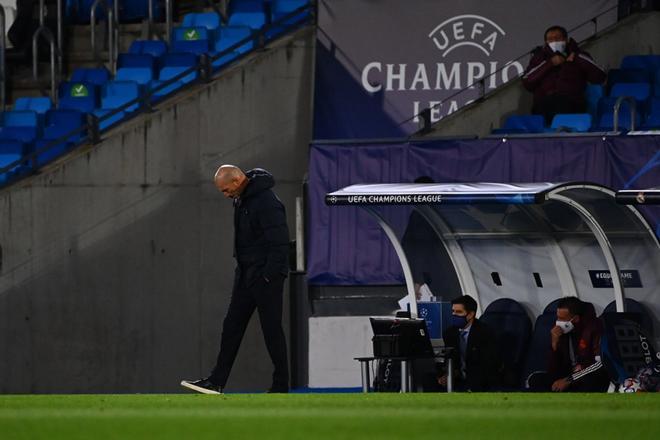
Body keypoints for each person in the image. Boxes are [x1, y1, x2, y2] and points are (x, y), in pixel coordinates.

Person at [181, 165, 290, 394]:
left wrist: (268, 276)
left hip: (264, 276)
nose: (225, 195)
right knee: (231, 326)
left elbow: (280, 243)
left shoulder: (266, 202)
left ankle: (281, 385)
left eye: (225, 190)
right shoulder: (242, 198)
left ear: (238, 180)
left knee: (271, 330)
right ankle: (216, 381)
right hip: (245, 274)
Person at [522, 25, 606, 124]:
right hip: (543, 104)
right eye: (550, 40)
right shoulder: (539, 58)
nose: (554, 42)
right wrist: (550, 63)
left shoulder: (579, 55)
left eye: (557, 38)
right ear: (546, 43)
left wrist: (577, 58)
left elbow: (600, 77)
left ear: (565, 40)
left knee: (562, 104)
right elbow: (527, 82)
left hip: (572, 104)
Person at [528, 296, 610, 392]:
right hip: (568, 374)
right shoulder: (560, 331)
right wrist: (554, 345)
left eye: (562, 318)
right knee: (535, 379)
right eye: (558, 317)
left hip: (588, 375)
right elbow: (552, 369)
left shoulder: (595, 327)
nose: (558, 322)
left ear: (575, 319)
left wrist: (570, 379)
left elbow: (600, 364)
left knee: (590, 381)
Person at [438, 295, 501, 391]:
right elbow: (451, 358)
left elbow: (488, 364)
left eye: (459, 312)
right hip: (458, 377)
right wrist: (447, 375)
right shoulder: (449, 333)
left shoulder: (485, 333)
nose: (454, 315)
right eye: (453, 311)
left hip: (480, 378)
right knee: (429, 379)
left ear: (471, 314)